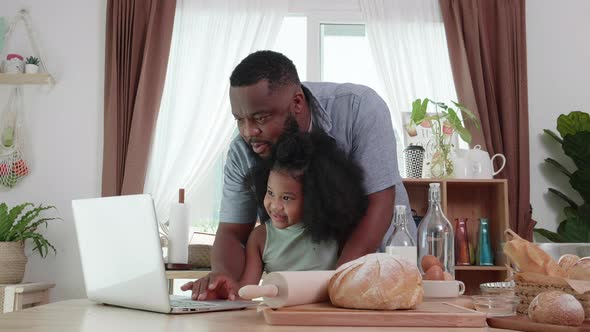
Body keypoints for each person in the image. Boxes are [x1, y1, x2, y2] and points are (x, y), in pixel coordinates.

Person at [181, 50, 415, 300]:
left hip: (386, 278)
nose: (249, 132)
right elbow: (232, 232)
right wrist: (224, 275)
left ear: (297, 103)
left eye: (260, 117)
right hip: (299, 298)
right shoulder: (242, 149)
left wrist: (337, 285)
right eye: (240, 119)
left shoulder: (360, 108)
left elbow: (379, 205)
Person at [236, 124, 366, 290]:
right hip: (280, 313)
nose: (275, 205)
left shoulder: (335, 235)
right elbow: (246, 289)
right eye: (270, 192)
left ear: (314, 199)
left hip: (326, 313)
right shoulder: (260, 238)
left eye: (286, 198)